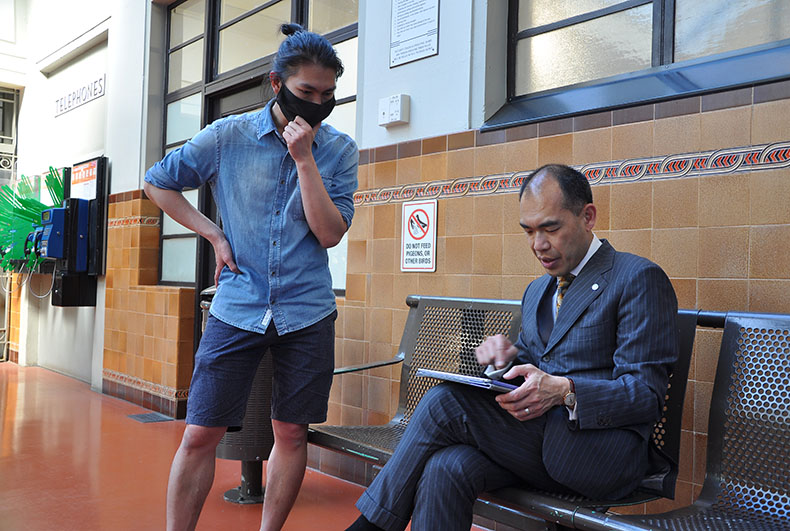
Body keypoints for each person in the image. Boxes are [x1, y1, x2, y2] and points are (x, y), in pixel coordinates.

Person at [347, 164, 679, 531]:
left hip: (600, 454)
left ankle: (371, 526)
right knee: (448, 467)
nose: (538, 244)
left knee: (445, 403)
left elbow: (646, 395)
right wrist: (507, 358)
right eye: (529, 231)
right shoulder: (539, 290)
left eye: (550, 228)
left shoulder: (636, 278)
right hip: (537, 445)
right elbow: (537, 363)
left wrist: (566, 392)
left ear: (588, 217)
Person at [144, 23, 358, 531]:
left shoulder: (339, 150)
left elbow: (329, 234)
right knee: (200, 432)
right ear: (276, 82)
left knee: (290, 431)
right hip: (237, 304)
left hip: (307, 310)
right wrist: (215, 235)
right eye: (306, 91)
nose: (317, 103)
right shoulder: (227, 137)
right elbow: (158, 183)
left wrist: (305, 160)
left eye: (328, 95)